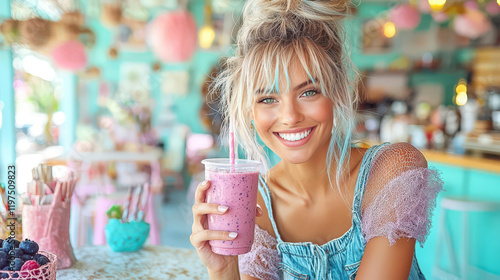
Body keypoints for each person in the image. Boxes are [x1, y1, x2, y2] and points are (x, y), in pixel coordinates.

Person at [190, 0, 444, 279]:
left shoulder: (391, 171)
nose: (289, 116)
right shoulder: (256, 205)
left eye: (308, 92)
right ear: (251, 111)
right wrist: (224, 269)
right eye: (267, 98)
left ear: (336, 93)